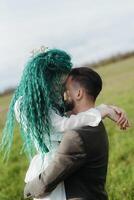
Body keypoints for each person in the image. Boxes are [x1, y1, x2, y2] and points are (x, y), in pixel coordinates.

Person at [24, 67, 129, 200]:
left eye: (66, 91)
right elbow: (85, 116)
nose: (62, 97)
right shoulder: (96, 123)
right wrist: (105, 109)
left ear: (78, 93)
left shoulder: (74, 137)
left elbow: (45, 183)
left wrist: (27, 189)